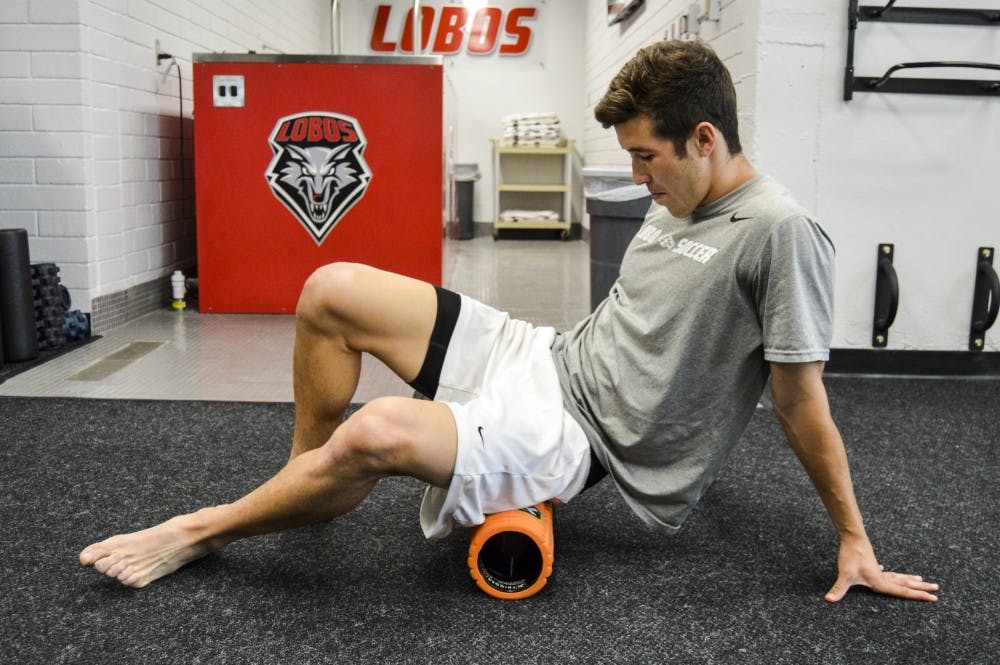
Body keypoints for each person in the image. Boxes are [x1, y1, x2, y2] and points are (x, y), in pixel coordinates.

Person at [80, 40, 938, 603]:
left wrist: (854, 539)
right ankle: (301, 482)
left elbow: (800, 403)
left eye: (646, 155)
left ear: (704, 138)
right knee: (330, 287)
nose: (639, 175)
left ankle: (198, 529)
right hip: (545, 355)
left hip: (579, 435)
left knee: (376, 430)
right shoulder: (677, 197)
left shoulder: (779, 234)